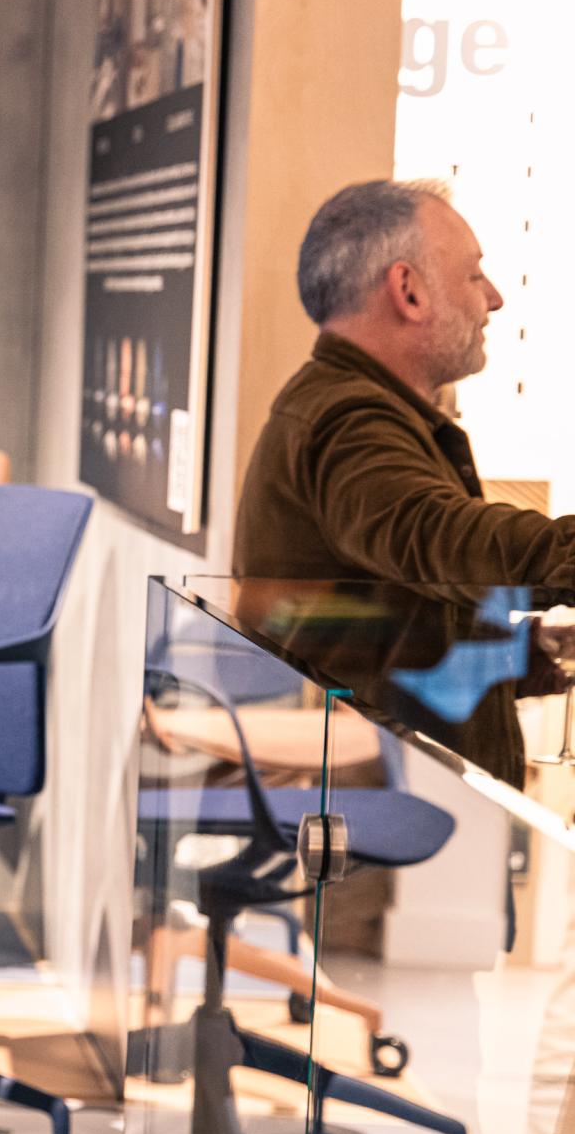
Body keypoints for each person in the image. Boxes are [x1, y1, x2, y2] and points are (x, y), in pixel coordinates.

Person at [237, 178, 575, 784]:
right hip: (372, 836)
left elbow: (377, 632)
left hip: (384, 818)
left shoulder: (352, 410)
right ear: (409, 291)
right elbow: (436, 538)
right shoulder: (349, 422)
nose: (493, 299)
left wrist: (516, 662)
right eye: (474, 276)